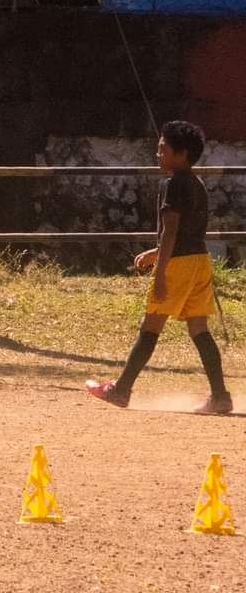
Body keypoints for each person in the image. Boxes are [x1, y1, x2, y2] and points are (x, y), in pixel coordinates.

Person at [86, 120, 233, 414]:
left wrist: (161, 269)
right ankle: (220, 397)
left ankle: (121, 390)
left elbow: (171, 230)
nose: (158, 154)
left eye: (163, 149)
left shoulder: (173, 185)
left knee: (150, 326)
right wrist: (157, 252)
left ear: (181, 153)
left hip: (178, 265)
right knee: (199, 329)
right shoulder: (196, 184)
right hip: (199, 262)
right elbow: (188, 232)